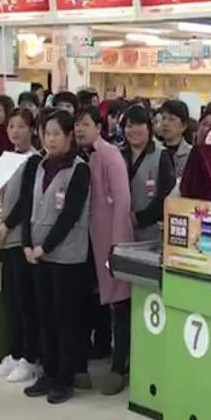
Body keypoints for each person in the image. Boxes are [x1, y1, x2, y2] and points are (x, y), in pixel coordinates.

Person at [4, 110, 92, 404]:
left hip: (66, 257)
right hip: (37, 254)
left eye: (56, 134)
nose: (50, 139)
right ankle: (49, 371)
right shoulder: (38, 165)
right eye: (46, 133)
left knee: (65, 318)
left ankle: (65, 377)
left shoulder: (79, 169)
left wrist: (46, 246)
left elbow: (70, 215)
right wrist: (27, 244)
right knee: (44, 315)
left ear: (69, 136)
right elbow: (28, 205)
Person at [74, 106, 133, 394]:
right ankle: (92, 355)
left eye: (85, 123)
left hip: (109, 240)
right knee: (90, 301)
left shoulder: (110, 155)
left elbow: (122, 201)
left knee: (119, 303)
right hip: (84, 242)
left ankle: (119, 366)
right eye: (77, 124)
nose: (80, 129)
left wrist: (117, 244)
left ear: (99, 127)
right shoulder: (78, 157)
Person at [0, 108, 43, 385]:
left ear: (32, 130)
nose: (15, 131)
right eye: (11, 126)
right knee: (11, 299)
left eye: (21, 126)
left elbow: (25, 201)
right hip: (4, 236)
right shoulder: (8, 158)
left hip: (20, 237)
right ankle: (14, 352)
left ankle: (30, 358)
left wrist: (6, 226)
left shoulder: (33, 160)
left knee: (25, 301)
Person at [122, 105, 175, 242]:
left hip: (152, 233)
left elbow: (166, 196)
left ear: (149, 127)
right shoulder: (118, 155)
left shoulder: (161, 155)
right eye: (129, 126)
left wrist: (138, 219)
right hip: (121, 231)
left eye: (139, 125)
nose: (134, 130)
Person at [158, 100, 192, 179]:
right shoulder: (155, 152)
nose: (165, 123)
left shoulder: (191, 154)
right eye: (163, 118)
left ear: (183, 125)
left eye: (171, 119)